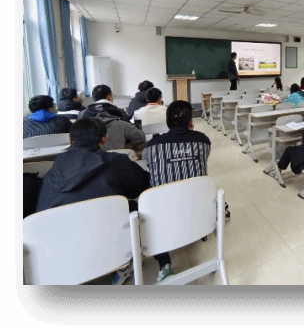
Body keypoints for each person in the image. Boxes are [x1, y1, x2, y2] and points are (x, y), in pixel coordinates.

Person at [35, 118, 150, 284]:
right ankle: (127, 264)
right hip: (103, 239)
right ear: (104, 139)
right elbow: (141, 185)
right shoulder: (116, 161)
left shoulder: (52, 169)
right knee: (135, 206)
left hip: (54, 249)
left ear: (70, 140)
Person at [143, 100, 212, 282]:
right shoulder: (203, 141)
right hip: (200, 212)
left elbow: (149, 164)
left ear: (167, 122)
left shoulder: (152, 146)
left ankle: (164, 265)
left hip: (164, 217)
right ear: (191, 122)